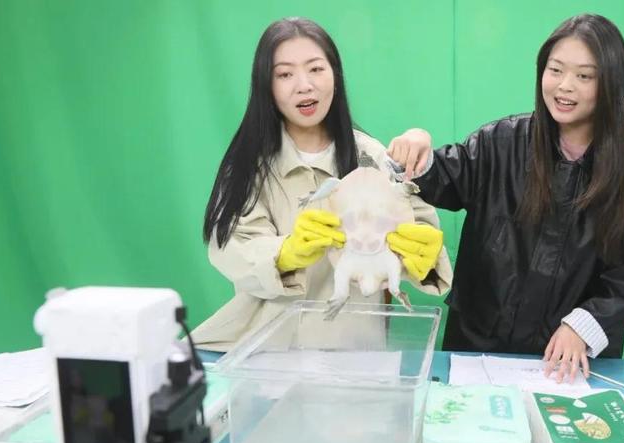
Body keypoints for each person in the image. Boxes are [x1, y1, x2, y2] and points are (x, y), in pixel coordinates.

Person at [388, 14, 624, 382]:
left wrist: (587, 323)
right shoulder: (500, 142)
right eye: (555, 70)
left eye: (584, 76)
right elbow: (442, 177)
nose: (565, 86)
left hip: (566, 363)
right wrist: (416, 147)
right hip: (477, 348)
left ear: (611, 83)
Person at [192, 17, 452, 352]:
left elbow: (421, 236)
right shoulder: (247, 165)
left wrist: (424, 257)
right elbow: (231, 249)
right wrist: (285, 253)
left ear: (335, 76)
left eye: (316, 69)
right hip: (270, 350)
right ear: (266, 86)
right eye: (285, 74)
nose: (304, 85)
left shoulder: (372, 156)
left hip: (355, 351)